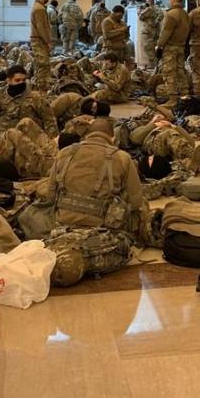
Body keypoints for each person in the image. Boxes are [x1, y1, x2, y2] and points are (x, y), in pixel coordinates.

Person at [41, 118, 145, 286]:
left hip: (61, 227)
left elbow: (50, 195)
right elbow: (136, 202)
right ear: (112, 138)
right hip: (101, 231)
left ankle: (65, 255)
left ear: (87, 135)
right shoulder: (122, 158)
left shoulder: (64, 153)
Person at [0, 64, 56, 138]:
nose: (21, 83)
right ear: (8, 80)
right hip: (0, 139)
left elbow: (49, 120)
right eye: (17, 80)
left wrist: (51, 142)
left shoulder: (35, 98)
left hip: (25, 141)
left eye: (23, 80)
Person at [155, 0, 190, 100]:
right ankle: (185, 94)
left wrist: (159, 45)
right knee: (180, 71)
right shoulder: (185, 14)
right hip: (181, 46)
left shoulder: (171, 14)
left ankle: (172, 98)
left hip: (170, 47)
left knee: (169, 72)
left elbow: (166, 32)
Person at [30, 0, 52, 91]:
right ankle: (41, 89)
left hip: (38, 39)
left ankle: (38, 87)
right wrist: (48, 41)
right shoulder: (40, 9)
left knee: (40, 64)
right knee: (44, 65)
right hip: (39, 40)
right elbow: (41, 27)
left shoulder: (38, 7)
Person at [138, 0, 165, 68]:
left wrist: (156, 20)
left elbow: (161, 15)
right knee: (147, 48)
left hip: (155, 31)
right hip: (147, 30)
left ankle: (155, 65)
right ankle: (152, 64)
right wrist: (147, 9)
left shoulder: (156, 8)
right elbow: (140, 16)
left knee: (155, 48)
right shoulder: (144, 7)